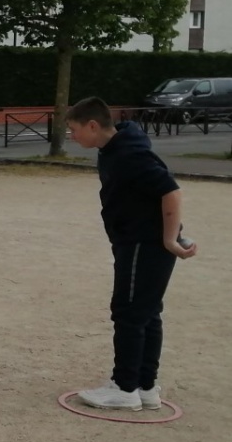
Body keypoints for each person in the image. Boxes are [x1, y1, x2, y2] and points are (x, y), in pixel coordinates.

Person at [66, 96, 196, 411]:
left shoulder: (128, 154)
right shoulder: (117, 144)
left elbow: (171, 191)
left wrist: (169, 239)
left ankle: (124, 388)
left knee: (128, 312)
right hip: (135, 241)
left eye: (74, 130)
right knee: (147, 312)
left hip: (143, 243)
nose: (72, 136)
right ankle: (145, 386)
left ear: (93, 126)